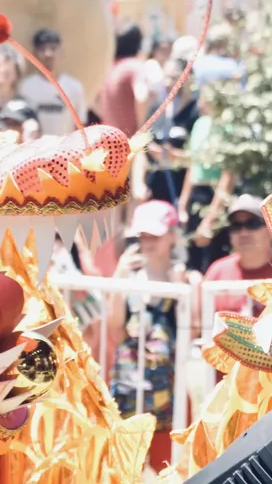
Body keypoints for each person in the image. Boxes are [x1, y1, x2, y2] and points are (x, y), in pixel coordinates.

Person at [108, 200, 188, 474]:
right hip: (129, 386)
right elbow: (115, 326)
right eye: (143, 235)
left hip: (166, 393)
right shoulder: (129, 275)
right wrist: (119, 276)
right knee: (124, 467)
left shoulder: (181, 278)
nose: (148, 241)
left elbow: (194, 330)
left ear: (172, 236)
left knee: (169, 467)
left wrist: (182, 288)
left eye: (155, 235)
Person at [203, 194, 272, 316]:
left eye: (253, 224)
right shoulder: (218, 272)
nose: (244, 233)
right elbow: (200, 326)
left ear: (271, 229)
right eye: (236, 226)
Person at [177, 95, 234, 274]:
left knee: (212, 262)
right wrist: (183, 204)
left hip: (216, 196)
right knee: (192, 262)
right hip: (197, 194)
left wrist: (210, 219)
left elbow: (228, 177)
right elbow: (192, 165)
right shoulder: (199, 123)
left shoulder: (228, 125)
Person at [145, 58, 199, 205]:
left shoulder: (196, 111)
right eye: (166, 77)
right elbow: (141, 144)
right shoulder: (157, 107)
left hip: (181, 189)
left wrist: (175, 156)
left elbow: (200, 158)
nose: (168, 83)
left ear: (188, 78)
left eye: (174, 77)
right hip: (155, 187)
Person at [18, 29, 87, 136]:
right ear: (34, 54)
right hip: (34, 150)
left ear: (62, 52)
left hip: (65, 150)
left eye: (53, 48)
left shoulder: (74, 86)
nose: (48, 54)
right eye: (42, 49)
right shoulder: (25, 87)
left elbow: (81, 125)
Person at [96, 24, 149, 139]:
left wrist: (109, 118)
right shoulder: (135, 66)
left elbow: (94, 100)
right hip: (129, 141)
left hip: (108, 139)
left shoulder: (108, 68)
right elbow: (142, 97)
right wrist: (141, 130)